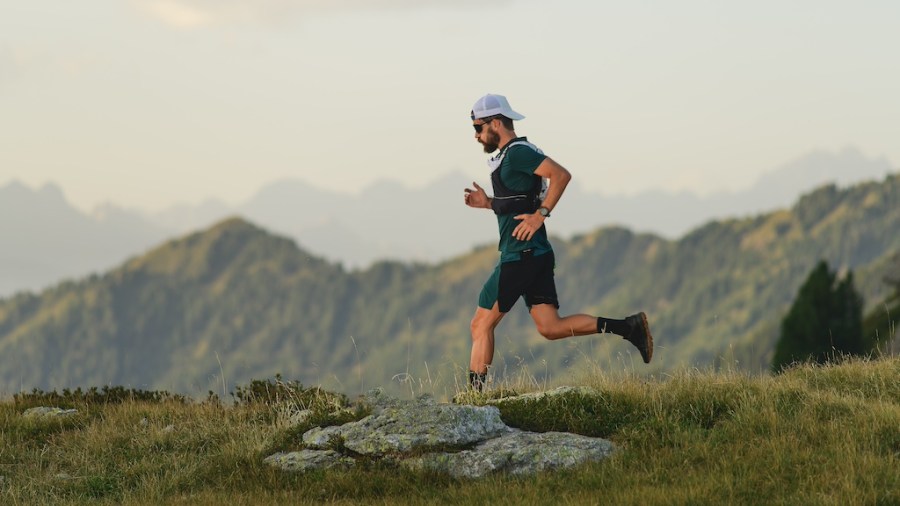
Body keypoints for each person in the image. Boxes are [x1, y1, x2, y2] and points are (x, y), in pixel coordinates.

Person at [463, 93, 654, 391]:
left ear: (495, 123)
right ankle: (628, 327)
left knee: (480, 324)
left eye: (478, 128)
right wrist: (488, 203)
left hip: (520, 255)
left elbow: (561, 175)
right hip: (535, 254)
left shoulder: (517, 153)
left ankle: (472, 401)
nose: (476, 136)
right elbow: (522, 199)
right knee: (550, 327)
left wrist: (540, 215)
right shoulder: (512, 154)